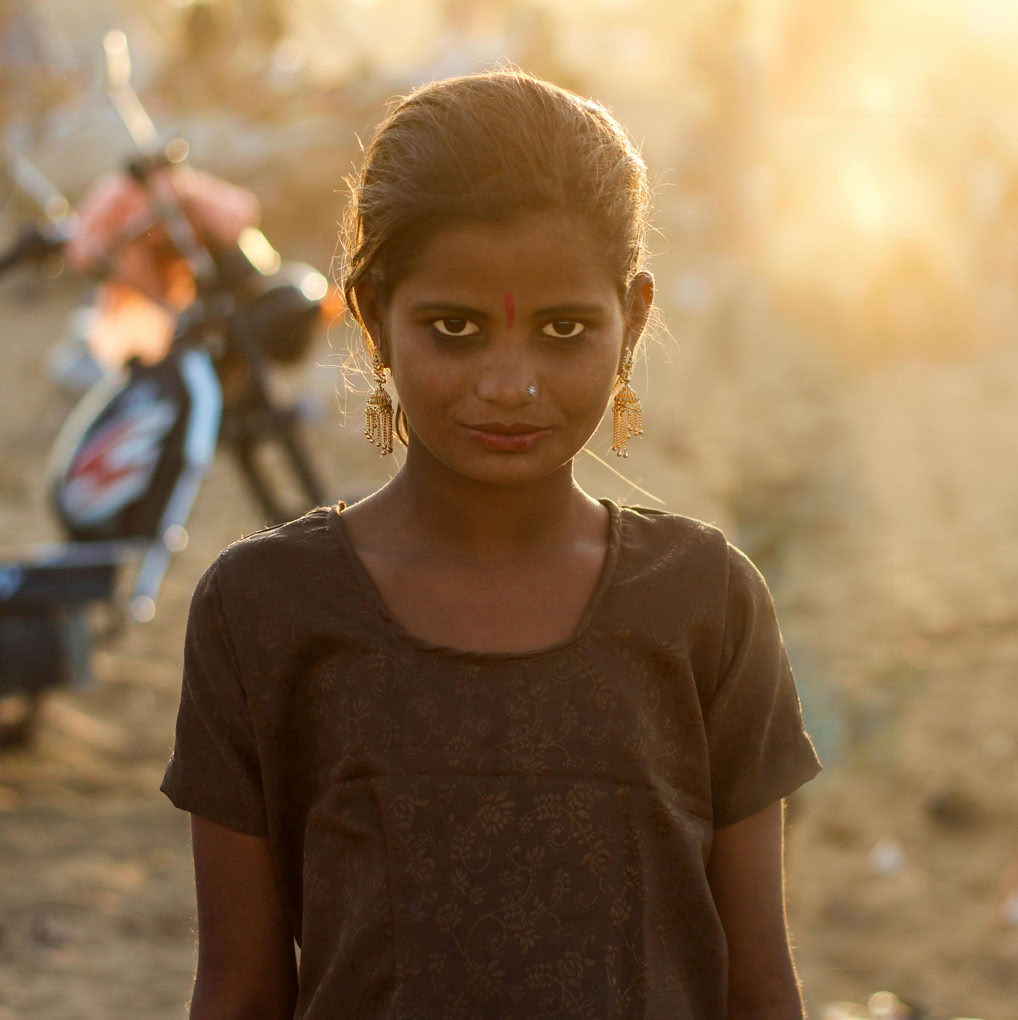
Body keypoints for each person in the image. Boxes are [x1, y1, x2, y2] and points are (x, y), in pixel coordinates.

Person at [161, 70, 821, 1019]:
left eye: (564, 329)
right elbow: (239, 992)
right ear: (372, 315)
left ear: (632, 320)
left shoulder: (705, 605)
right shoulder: (263, 611)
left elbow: (759, 986)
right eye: (455, 328)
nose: (510, 384)